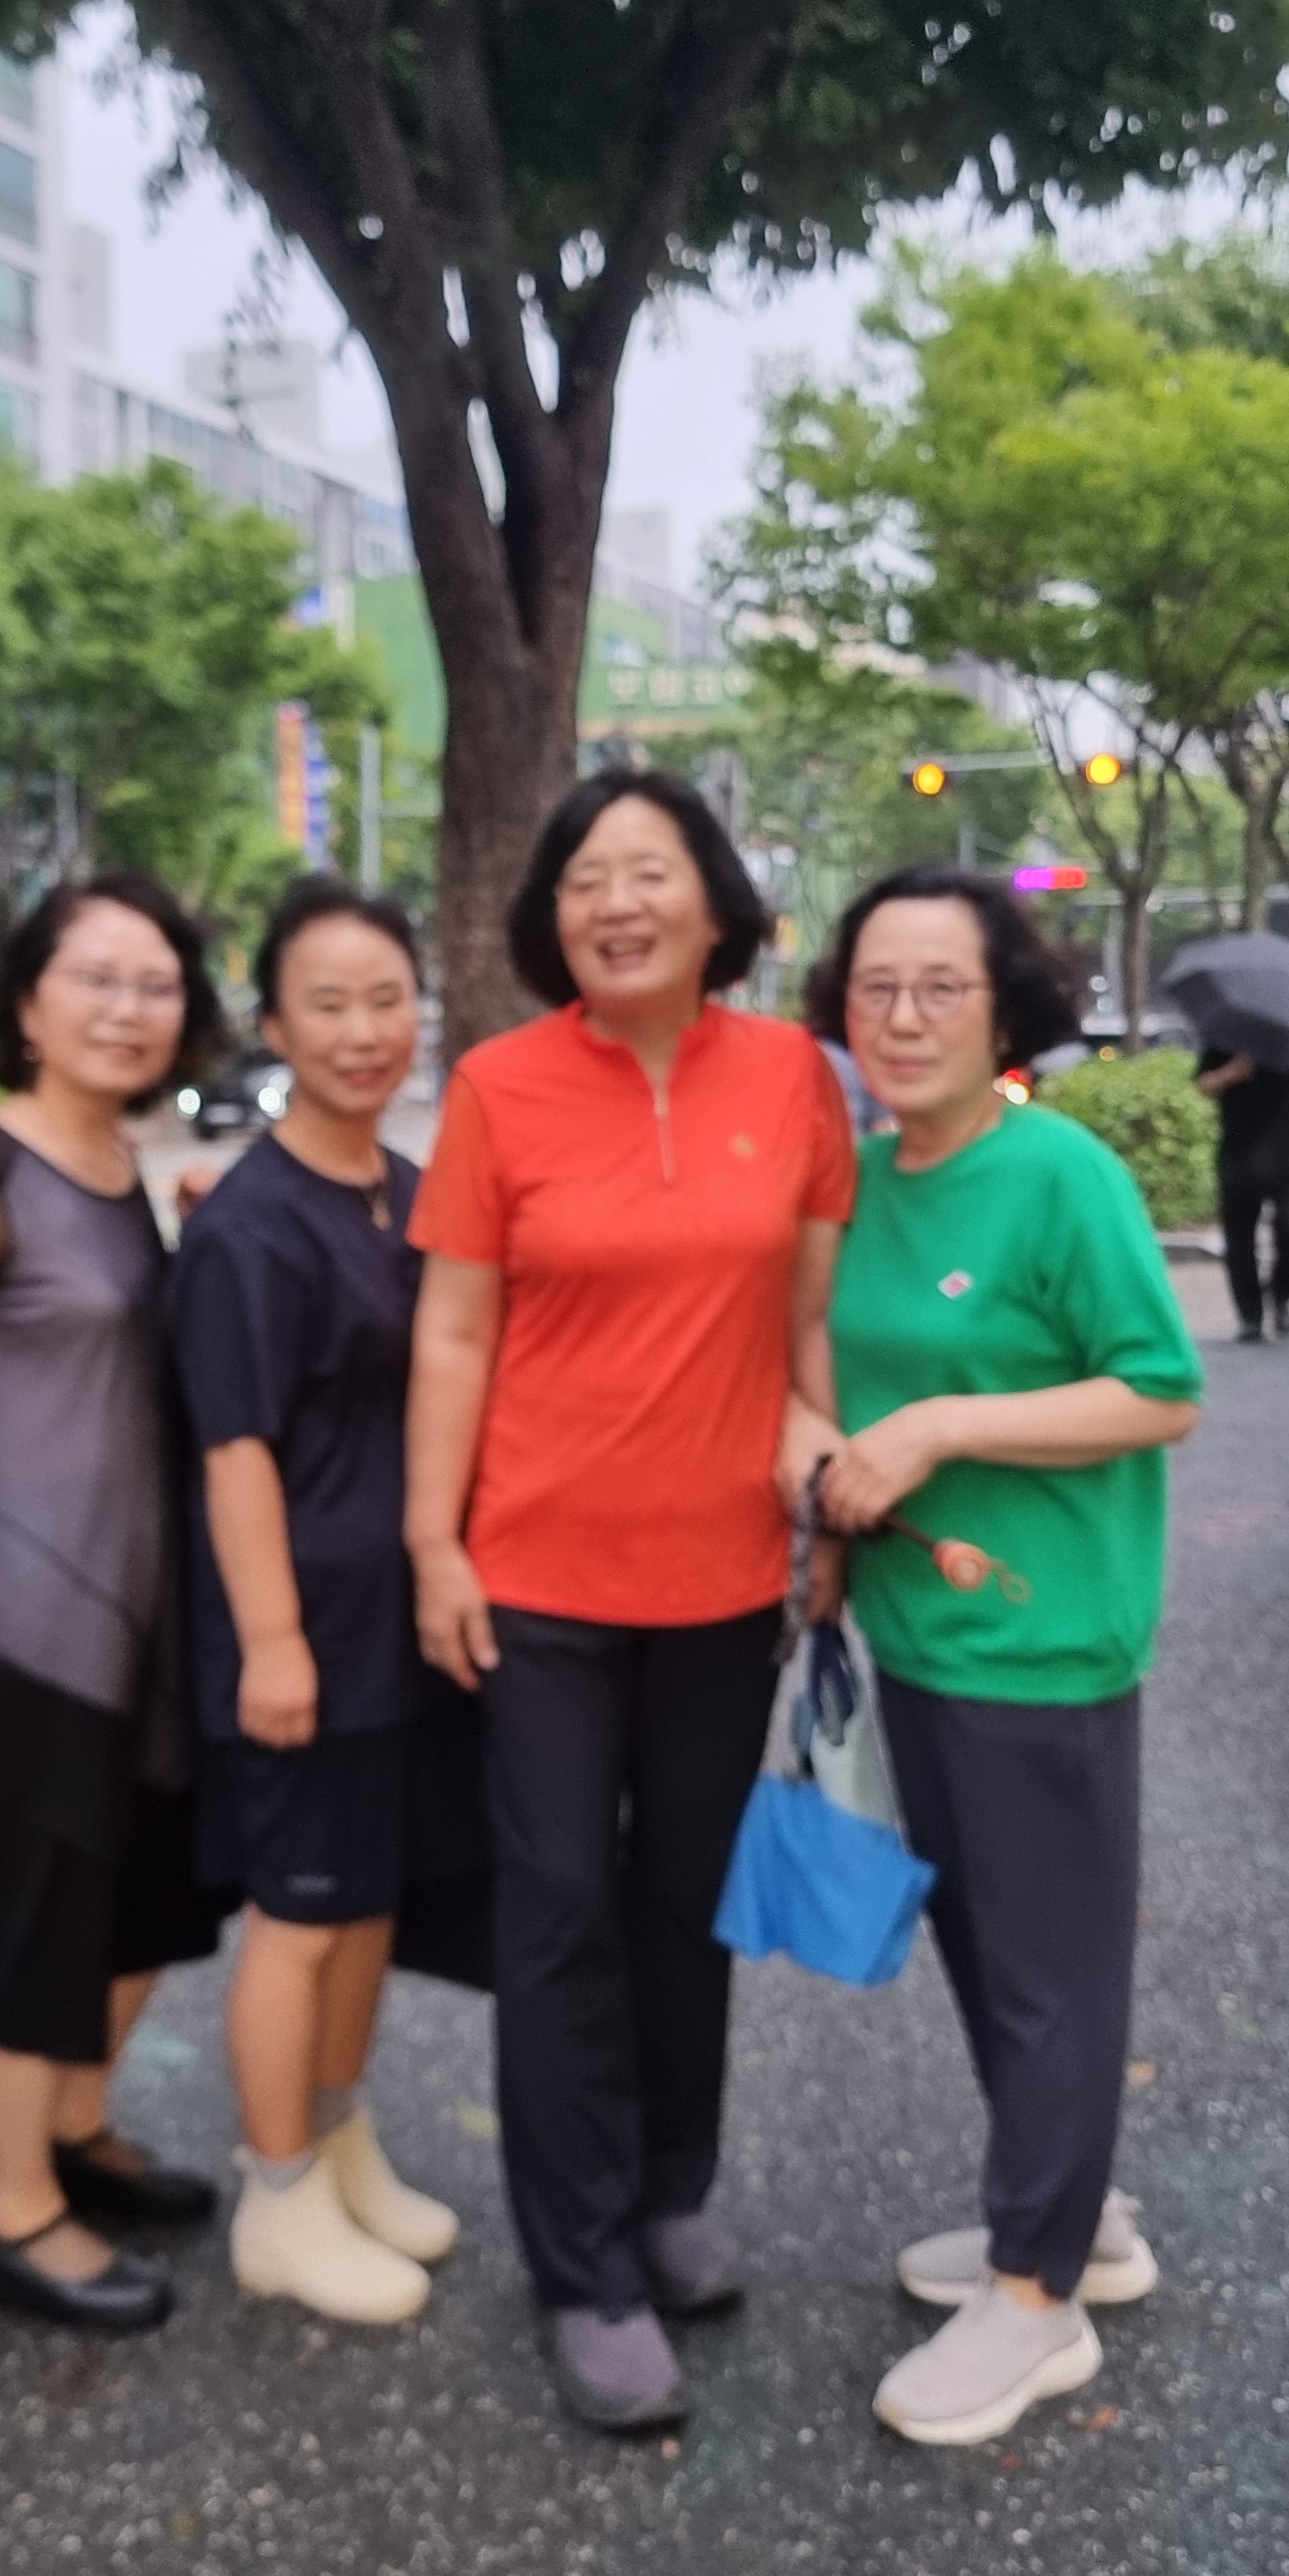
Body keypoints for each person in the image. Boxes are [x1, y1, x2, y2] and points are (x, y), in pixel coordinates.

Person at [405, 764, 856, 2432]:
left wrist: (826, 1503)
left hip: (724, 1574)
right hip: (538, 1579)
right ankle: (584, 2267)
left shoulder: (794, 1080)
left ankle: (671, 2187)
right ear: (552, 918)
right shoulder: (501, 1087)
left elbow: (801, 1326)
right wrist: (434, 1544)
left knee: (682, 1902)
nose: (615, 903)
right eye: (585, 878)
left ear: (716, 902)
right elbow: (454, 1330)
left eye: (649, 871)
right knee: (555, 1915)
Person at [802, 866, 1202, 2448]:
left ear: (1003, 1008)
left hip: (1045, 1643)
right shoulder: (865, 1179)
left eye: (940, 988)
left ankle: (1037, 2302)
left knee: (1051, 1971)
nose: (903, 1018)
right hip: (916, 1635)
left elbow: (1159, 1388)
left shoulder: (1060, 1173)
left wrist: (944, 1426)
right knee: (983, 1946)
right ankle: (1072, 2220)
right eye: (875, 987)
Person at [0, 872, 235, 2335]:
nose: (127, 1008)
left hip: (150, 1629)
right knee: (32, 1917)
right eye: (95, 978)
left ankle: (79, 2130)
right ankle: (16, 2212)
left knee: (148, 1899)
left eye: (155, 985)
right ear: (28, 1002)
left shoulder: (123, 1166)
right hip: (24, 1628)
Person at [170, 878, 463, 2327]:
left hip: (392, 1622)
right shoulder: (248, 1223)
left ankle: (341, 2141)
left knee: (366, 1905)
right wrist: (273, 1643)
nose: (362, 1031)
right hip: (296, 1629)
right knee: (297, 1914)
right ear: (275, 1025)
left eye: (386, 999)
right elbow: (233, 1451)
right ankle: (276, 2193)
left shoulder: (407, 1191)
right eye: (327, 1004)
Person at [1194, 1048, 1289, 1343]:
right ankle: (1250, 1315)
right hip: (1239, 1153)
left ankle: (1282, 1292)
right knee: (1239, 1239)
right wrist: (1232, 1072)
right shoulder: (1229, 1037)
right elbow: (1203, 1083)